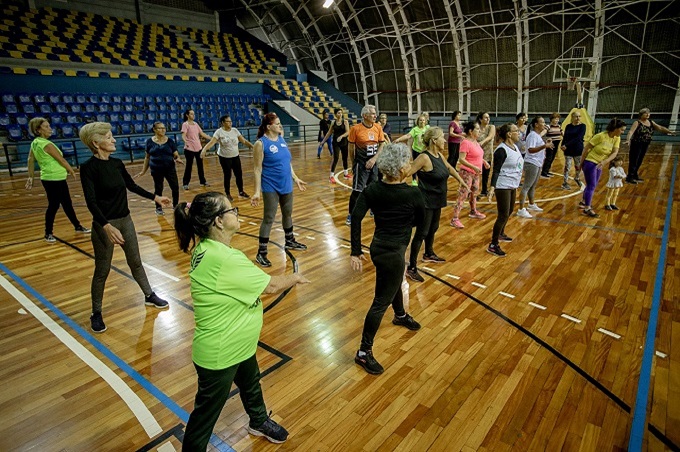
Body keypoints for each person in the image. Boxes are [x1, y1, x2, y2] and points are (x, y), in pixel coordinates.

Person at [174, 191, 309, 450]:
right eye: (231, 210)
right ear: (218, 221)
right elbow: (270, 286)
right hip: (221, 354)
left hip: (239, 344)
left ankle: (258, 421)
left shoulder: (207, 247)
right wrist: (296, 276)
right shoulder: (223, 258)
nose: (236, 212)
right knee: (204, 416)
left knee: (250, 384)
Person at [79, 122, 172, 333]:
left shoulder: (117, 164)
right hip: (105, 225)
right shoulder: (88, 168)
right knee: (102, 270)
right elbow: (91, 202)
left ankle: (149, 295)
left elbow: (132, 186)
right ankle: (96, 312)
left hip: (126, 221)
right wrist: (106, 227)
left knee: (136, 262)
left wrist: (155, 197)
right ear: (96, 142)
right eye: (109, 137)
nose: (114, 140)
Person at [350, 143, 425, 374]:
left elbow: (356, 216)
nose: (410, 166)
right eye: (408, 162)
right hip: (394, 253)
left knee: (391, 284)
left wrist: (355, 250)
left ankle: (400, 315)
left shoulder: (372, 189)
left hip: (378, 248)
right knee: (380, 300)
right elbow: (421, 226)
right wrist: (413, 258)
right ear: (402, 168)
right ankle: (363, 352)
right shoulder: (413, 193)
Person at [406, 127, 468, 283]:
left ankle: (428, 253)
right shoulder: (424, 158)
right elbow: (407, 172)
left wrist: (461, 181)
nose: (445, 140)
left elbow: (449, 168)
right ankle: (411, 268)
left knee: (433, 228)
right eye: (442, 138)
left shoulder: (439, 155)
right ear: (434, 140)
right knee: (422, 233)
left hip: (437, 200)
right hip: (425, 201)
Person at [251, 113, 308, 267]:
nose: (280, 126)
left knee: (287, 213)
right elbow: (257, 169)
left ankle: (289, 241)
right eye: (277, 124)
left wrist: (295, 178)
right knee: (269, 218)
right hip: (270, 186)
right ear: (269, 126)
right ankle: (261, 253)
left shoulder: (282, 140)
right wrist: (257, 191)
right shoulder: (260, 144)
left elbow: (287, 162)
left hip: (286, 184)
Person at [25, 117, 90, 242]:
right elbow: (61, 160)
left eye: (49, 126)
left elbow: (30, 160)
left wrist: (30, 176)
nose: (50, 129)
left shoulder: (35, 143)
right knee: (54, 205)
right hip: (53, 178)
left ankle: (77, 226)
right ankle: (48, 233)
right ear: (38, 130)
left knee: (67, 203)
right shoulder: (47, 144)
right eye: (46, 127)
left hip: (53, 178)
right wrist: (71, 171)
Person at [487, 124, 523, 257]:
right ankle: (493, 244)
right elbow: (495, 171)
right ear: (509, 134)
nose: (518, 133)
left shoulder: (515, 147)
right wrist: (492, 188)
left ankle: (501, 233)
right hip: (503, 185)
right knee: (502, 215)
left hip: (512, 185)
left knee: (509, 211)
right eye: (516, 131)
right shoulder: (501, 151)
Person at [578, 118, 626, 218]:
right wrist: (581, 163)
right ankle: (587, 208)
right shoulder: (600, 136)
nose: (622, 132)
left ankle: (583, 201)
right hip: (590, 162)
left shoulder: (616, 138)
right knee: (591, 185)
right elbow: (586, 149)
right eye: (621, 130)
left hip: (600, 164)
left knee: (593, 185)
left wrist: (604, 162)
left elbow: (614, 152)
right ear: (615, 128)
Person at [200, 114, 253, 202]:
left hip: (235, 156)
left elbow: (243, 140)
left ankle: (241, 191)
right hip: (224, 157)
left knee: (239, 174)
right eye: (228, 121)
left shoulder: (235, 130)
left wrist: (253, 147)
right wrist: (204, 149)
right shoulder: (219, 132)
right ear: (223, 123)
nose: (230, 123)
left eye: (230, 121)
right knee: (227, 175)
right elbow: (212, 142)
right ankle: (227, 193)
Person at [347, 105, 385, 225]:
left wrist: (374, 159)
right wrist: (354, 164)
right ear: (364, 116)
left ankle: (373, 210)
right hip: (361, 164)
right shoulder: (355, 129)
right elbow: (351, 149)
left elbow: (382, 144)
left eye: (375, 113)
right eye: (373, 114)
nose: (375, 116)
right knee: (357, 190)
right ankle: (351, 215)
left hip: (373, 164)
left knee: (373, 189)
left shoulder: (378, 128)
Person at [135, 121, 183, 216]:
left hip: (169, 169)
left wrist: (178, 159)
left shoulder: (170, 141)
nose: (163, 130)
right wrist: (143, 171)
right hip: (156, 170)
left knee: (175, 187)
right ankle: (158, 208)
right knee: (158, 189)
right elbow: (147, 157)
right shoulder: (149, 142)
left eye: (164, 128)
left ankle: (176, 206)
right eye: (160, 128)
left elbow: (176, 155)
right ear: (154, 130)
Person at [450, 121, 489, 229]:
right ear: (471, 131)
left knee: (474, 193)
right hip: (467, 173)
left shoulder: (475, 142)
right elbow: (461, 159)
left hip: (476, 173)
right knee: (463, 194)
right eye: (477, 129)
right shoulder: (465, 142)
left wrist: (484, 162)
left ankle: (473, 211)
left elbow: (477, 156)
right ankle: (454, 218)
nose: (479, 131)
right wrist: (473, 167)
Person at [625, 108, 676, 184]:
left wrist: (670, 132)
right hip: (636, 143)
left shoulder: (651, 122)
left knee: (640, 160)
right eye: (646, 113)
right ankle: (629, 177)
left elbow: (660, 128)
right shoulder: (637, 122)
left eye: (648, 113)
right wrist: (628, 140)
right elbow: (631, 132)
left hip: (645, 144)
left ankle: (635, 175)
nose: (648, 114)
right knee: (634, 160)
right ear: (641, 114)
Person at [516, 117, 553, 219]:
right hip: (531, 163)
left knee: (533, 185)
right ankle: (521, 209)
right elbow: (530, 149)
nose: (544, 124)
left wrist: (545, 142)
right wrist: (544, 146)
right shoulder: (532, 135)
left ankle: (531, 204)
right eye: (542, 122)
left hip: (537, 163)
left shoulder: (537, 136)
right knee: (526, 186)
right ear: (536, 124)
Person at [394, 114, 429, 187]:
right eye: (420, 120)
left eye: (423, 120)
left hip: (425, 151)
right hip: (416, 150)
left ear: (425, 121)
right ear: (418, 121)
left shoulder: (428, 128)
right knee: (415, 165)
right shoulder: (415, 129)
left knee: (424, 166)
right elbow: (407, 136)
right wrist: (399, 139)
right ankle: (414, 180)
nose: (422, 122)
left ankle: (423, 180)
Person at [181, 109, 212, 190]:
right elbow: (183, 135)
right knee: (189, 166)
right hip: (189, 148)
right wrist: (186, 142)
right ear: (187, 115)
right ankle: (185, 183)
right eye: (191, 114)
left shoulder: (196, 124)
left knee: (200, 165)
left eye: (193, 114)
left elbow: (202, 134)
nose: (193, 115)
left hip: (198, 148)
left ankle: (202, 181)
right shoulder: (185, 124)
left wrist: (212, 138)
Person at [322, 108, 351, 183]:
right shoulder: (333, 123)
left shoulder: (345, 122)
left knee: (345, 158)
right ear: (335, 114)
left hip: (344, 142)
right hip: (335, 143)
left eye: (341, 113)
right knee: (336, 158)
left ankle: (346, 174)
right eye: (338, 113)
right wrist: (323, 141)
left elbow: (348, 132)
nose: (340, 114)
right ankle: (331, 176)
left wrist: (342, 136)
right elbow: (329, 133)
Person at [560, 111, 586, 190]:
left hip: (577, 149)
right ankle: (565, 182)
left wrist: (566, 145)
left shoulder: (582, 126)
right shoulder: (568, 126)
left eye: (579, 116)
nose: (578, 118)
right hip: (568, 150)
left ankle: (577, 177)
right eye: (576, 116)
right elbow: (565, 137)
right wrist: (562, 145)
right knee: (567, 166)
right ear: (572, 117)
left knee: (578, 166)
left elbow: (578, 138)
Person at [476, 111, 496, 197]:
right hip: (476, 155)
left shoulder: (491, 127)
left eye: (488, 117)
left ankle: (484, 190)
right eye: (485, 117)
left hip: (487, 154)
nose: (488, 119)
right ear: (480, 119)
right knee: (475, 174)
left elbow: (490, 136)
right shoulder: (476, 128)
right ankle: (472, 191)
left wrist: (481, 142)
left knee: (486, 174)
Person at [541, 113, 563, 178]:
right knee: (549, 157)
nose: (557, 120)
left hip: (557, 143)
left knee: (552, 157)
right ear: (551, 119)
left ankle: (547, 171)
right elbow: (543, 132)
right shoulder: (548, 126)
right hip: (551, 143)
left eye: (558, 119)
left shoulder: (559, 126)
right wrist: (539, 136)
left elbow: (562, 133)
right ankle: (544, 172)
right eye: (555, 119)